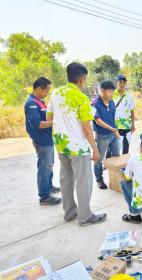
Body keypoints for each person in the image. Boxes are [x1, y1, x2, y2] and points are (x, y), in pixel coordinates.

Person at [47, 62, 106, 226]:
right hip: (78, 147)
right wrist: (94, 148)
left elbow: (49, 119)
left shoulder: (55, 93)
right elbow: (87, 127)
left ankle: (69, 212)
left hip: (61, 144)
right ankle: (85, 216)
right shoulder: (81, 98)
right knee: (83, 181)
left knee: (66, 179)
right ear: (81, 79)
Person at [24, 77, 61, 206]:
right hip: (42, 141)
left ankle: (49, 187)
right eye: (46, 91)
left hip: (47, 139)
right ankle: (44, 197)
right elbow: (35, 124)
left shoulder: (39, 101)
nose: (47, 94)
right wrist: (54, 122)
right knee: (44, 168)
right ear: (39, 89)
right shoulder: (31, 103)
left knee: (49, 165)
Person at [92, 81, 121, 189]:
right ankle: (99, 180)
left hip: (113, 134)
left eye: (113, 93)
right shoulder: (95, 103)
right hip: (102, 136)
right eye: (109, 92)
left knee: (116, 156)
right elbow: (98, 121)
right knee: (98, 159)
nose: (111, 95)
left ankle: (115, 178)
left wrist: (115, 130)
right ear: (102, 90)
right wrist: (112, 129)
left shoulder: (112, 102)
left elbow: (112, 117)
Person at [113, 74, 135, 154]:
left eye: (123, 82)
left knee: (126, 149)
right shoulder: (112, 96)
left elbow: (132, 111)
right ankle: (113, 165)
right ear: (116, 83)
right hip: (115, 126)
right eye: (120, 82)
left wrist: (133, 125)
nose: (122, 84)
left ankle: (124, 166)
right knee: (115, 149)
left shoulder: (129, 96)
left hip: (127, 126)